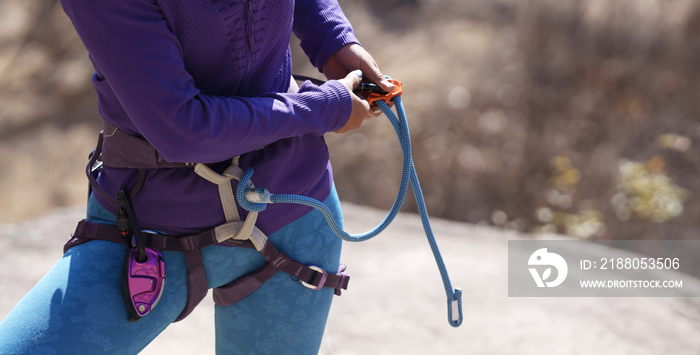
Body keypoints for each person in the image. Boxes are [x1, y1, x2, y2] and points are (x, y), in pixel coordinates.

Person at [0, 0, 394, 353]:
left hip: (294, 212)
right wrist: (322, 109)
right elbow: (182, 128)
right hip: (148, 232)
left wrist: (333, 40)